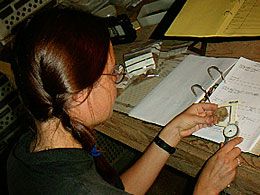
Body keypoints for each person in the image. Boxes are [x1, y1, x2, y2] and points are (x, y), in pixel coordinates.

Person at [7, 7, 243, 195]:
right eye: (112, 73)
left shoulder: (28, 150)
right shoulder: (79, 186)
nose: (118, 80)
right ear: (79, 94)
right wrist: (205, 189)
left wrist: (170, 133)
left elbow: (116, 190)